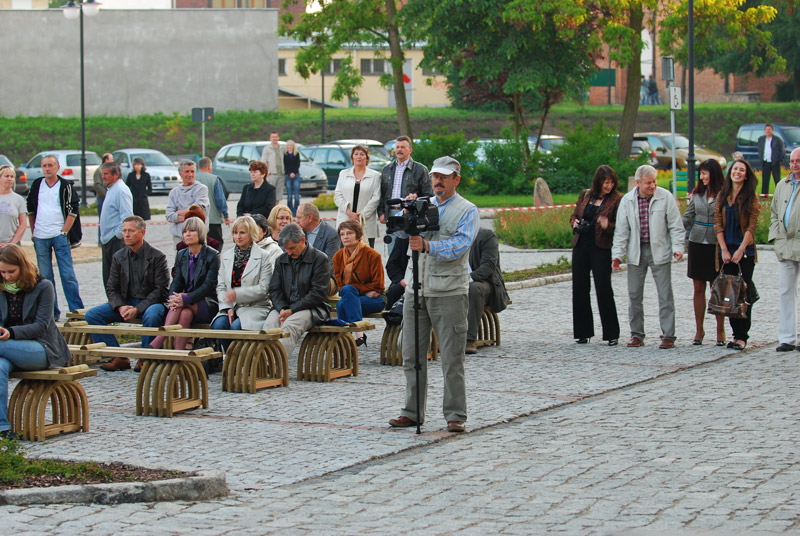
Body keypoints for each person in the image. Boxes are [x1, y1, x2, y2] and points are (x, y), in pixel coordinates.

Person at [388, 156, 479, 434]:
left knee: (452, 358)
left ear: (456, 179)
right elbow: (402, 235)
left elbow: (460, 246)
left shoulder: (467, 210)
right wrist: (408, 211)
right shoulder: (422, 204)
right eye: (435, 176)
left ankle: (455, 414)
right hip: (417, 290)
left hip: (449, 292)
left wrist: (428, 246)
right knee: (411, 355)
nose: (437, 181)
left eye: (444, 177)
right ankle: (412, 412)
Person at [0, 244, 71, 440]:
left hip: (41, 348)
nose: (7, 277)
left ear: (22, 266)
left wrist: (10, 333)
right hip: (8, 347)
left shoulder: (43, 286)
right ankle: (3, 427)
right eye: (3, 272)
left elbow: (41, 326)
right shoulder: (1, 286)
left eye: (11, 271)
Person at [611, 164, 683, 349]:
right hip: (636, 252)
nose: (653, 185)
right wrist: (617, 256)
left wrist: (678, 247)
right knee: (634, 295)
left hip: (659, 250)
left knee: (665, 295)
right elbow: (621, 231)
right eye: (648, 183)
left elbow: (675, 225)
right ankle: (637, 335)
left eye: (654, 181)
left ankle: (668, 336)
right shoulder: (627, 201)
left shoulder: (665, 197)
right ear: (638, 183)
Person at [85, 216, 169, 372]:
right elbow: (111, 287)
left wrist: (138, 309)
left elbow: (161, 290)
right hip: (127, 302)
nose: (126, 235)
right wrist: (120, 306)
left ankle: (145, 358)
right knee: (92, 315)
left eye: (131, 231)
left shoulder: (158, 257)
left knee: (152, 314)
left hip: (150, 303)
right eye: (124, 231)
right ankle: (117, 357)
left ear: (142, 232)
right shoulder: (118, 256)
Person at [26, 154, 84, 320]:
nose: (47, 168)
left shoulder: (65, 186)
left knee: (68, 275)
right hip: (40, 236)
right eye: (44, 165)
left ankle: (76, 311)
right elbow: (30, 208)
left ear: (57, 167)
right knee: (45, 277)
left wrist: (64, 231)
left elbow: (73, 209)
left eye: (50, 165)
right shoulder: (37, 184)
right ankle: (51, 312)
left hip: (59, 235)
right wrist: (33, 231)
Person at [570, 165, 622, 347]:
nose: (609, 186)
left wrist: (608, 225)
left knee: (603, 288)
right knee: (580, 287)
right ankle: (582, 332)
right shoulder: (586, 195)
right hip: (581, 244)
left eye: (611, 182)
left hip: (601, 246)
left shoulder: (617, 199)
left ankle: (611, 333)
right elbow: (574, 215)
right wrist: (575, 222)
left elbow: (622, 225)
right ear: (598, 182)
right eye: (606, 182)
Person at [150, 217, 220, 351]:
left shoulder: (212, 255)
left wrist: (186, 298)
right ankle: (178, 354)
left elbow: (209, 285)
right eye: (185, 231)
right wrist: (172, 298)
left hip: (207, 303)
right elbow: (176, 281)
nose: (187, 234)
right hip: (184, 303)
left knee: (183, 305)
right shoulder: (182, 254)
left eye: (192, 231)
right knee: (185, 314)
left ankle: (159, 339)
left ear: (200, 233)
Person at [264, 223, 331, 357]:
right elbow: (274, 290)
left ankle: (275, 364)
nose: (289, 252)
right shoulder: (281, 260)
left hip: (313, 308)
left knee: (290, 326)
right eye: (286, 249)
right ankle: (262, 362)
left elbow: (318, 293)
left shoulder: (320, 259)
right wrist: (282, 308)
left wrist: (292, 310)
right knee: (269, 326)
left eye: (292, 248)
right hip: (285, 306)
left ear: (302, 240)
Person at [715, 159, 760, 350]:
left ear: (746, 174)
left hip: (745, 251)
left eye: (741, 170)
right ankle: (734, 334)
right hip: (726, 251)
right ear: (730, 172)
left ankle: (742, 336)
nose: (738, 172)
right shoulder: (723, 195)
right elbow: (717, 222)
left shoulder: (751, 197)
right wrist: (724, 249)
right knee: (730, 294)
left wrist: (741, 249)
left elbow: (752, 225)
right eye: (735, 169)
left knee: (743, 293)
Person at [210, 216, 273, 350]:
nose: (238, 236)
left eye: (242, 233)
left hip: (255, 307)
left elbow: (264, 289)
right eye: (235, 233)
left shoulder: (263, 256)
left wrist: (236, 294)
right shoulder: (226, 256)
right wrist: (227, 307)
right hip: (230, 307)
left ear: (251, 234)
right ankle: (228, 358)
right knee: (219, 325)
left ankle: (240, 361)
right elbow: (221, 286)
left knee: (236, 327)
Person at [683, 159, 726, 346]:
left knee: (717, 288)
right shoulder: (697, 194)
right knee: (698, 288)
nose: (701, 177)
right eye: (700, 173)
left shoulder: (724, 194)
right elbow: (688, 217)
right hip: (697, 242)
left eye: (704, 173)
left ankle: (720, 329)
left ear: (713, 174)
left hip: (716, 244)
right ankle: (699, 330)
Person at [332, 221, 385, 346]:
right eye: (342, 234)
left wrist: (355, 290)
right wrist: (363, 291)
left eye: (349, 233)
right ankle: (358, 334)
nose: (345, 236)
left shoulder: (372, 255)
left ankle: (345, 341)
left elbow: (379, 285)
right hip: (358, 297)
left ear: (359, 235)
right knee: (344, 297)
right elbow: (340, 286)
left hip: (375, 300)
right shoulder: (338, 257)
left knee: (342, 303)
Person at [379, 136, 432, 255]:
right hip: (391, 214)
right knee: (393, 254)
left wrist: (416, 200)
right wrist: (381, 213)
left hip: (411, 214)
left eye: (403, 147)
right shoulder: (387, 169)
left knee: (412, 253)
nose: (399, 150)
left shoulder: (420, 169)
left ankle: (412, 273)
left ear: (410, 150)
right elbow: (382, 194)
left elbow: (429, 195)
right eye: (397, 147)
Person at [770, 148, 800, 352]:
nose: (795, 164)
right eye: (792, 160)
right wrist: (776, 237)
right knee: (785, 291)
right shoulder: (782, 184)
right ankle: (787, 338)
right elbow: (773, 212)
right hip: (785, 245)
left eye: (798, 161)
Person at [466, 228, 510, 354]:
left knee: (474, 289)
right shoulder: (449, 236)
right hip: (453, 280)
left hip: (484, 282)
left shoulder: (486, 236)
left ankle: (469, 339)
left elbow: (488, 266)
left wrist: (467, 278)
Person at [334, 145, 382, 248]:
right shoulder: (343, 174)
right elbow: (337, 195)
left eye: (362, 154)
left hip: (366, 222)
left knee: (366, 258)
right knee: (345, 257)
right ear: (352, 158)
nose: (358, 157)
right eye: (356, 154)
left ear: (367, 158)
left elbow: (376, 198)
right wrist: (349, 213)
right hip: (345, 221)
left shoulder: (375, 176)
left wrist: (361, 216)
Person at [99, 161, 133, 288]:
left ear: (116, 174)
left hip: (116, 241)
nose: (103, 177)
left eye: (106, 174)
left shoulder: (121, 190)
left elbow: (127, 216)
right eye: (103, 174)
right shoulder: (111, 189)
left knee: (116, 278)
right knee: (108, 278)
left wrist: (118, 235)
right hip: (108, 240)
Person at [296, 202, 340, 295]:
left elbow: (330, 265)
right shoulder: (299, 232)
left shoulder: (331, 235)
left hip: (325, 278)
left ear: (310, 218)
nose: (296, 221)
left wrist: (307, 275)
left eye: (299, 217)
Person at [166, 160, 209, 245]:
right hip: (179, 237)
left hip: (198, 237)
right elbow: (169, 215)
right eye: (187, 171)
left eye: (192, 171)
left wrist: (180, 213)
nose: (190, 175)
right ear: (180, 173)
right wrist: (190, 214)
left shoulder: (201, 189)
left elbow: (199, 210)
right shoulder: (174, 192)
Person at [194, 157, 230, 248]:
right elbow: (220, 200)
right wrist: (226, 215)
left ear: (198, 167)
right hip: (213, 220)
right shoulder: (214, 179)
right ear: (209, 167)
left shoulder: (193, 179)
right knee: (215, 245)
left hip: (196, 219)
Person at [0, 164, 27, 247]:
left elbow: (23, 224)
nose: (9, 179)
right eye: (6, 176)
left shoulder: (19, 199)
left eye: (12, 176)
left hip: (12, 245)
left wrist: (12, 243)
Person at [758, 123, 785, 196]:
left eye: (769, 129)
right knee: (765, 180)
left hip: (775, 162)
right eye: (766, 129)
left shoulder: (777, 140)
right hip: (765, 162)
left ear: (772, 130)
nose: (768, 131)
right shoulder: (761, 139)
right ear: (764, 131)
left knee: (777, 179)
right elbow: (760, 149)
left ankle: (779, 195)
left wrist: (779, 160)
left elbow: (782, 150)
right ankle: (764, 195)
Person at [93, 152, 113, 245]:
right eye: (111, 159)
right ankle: (100, 241)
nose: (113, 161)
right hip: (102, 199)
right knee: (102, 219)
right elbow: (97, 185)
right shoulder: (99, 171)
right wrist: (106, 195)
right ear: (106, 160)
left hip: (108, 197)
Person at [261, 131, 285, 202]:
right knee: (271, 193)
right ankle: (270, 210)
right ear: (270, 138)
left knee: (278, 195)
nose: (274, 138)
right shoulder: (267, 148)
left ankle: (276, 210)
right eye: (273, 137)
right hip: (271, 174)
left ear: (278, 138)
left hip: (281, 174)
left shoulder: (282, 148)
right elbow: (264, 161)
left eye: (276, 137)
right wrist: (266, 172)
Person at [284, 140, 302, 216]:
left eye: (290, 145)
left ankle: (297, 210)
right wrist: (289, 173)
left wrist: (294, 173)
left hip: (296, 175)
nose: (289, 147)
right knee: (289, 195)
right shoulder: (285, 154)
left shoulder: (296, 154)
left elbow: (297, 164)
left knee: (297, 195)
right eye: (288, 145)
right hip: (288, 175)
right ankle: (290, 210)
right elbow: (285, 165)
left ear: (293, 146)